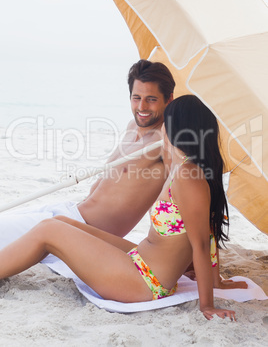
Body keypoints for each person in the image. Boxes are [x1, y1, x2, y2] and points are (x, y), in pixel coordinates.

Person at [0, 95, 242, 319]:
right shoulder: (182, 168)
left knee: (47, 230)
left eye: (166, 121)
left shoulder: (189, 176)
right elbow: (207, 231)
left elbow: (201, 242)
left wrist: (207, 305)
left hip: (144, 280)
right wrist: (214, 280)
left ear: (177, 127)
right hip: (141, 260)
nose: (162, 127)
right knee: (62, 222)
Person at [0, 59, 175, 247]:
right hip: (70, 212)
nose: (141, 107)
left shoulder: (166, 140)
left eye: (152, 99)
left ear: (169, 99)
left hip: (85, 231)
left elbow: (174, 198)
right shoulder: (132, 126)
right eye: (136, 97)